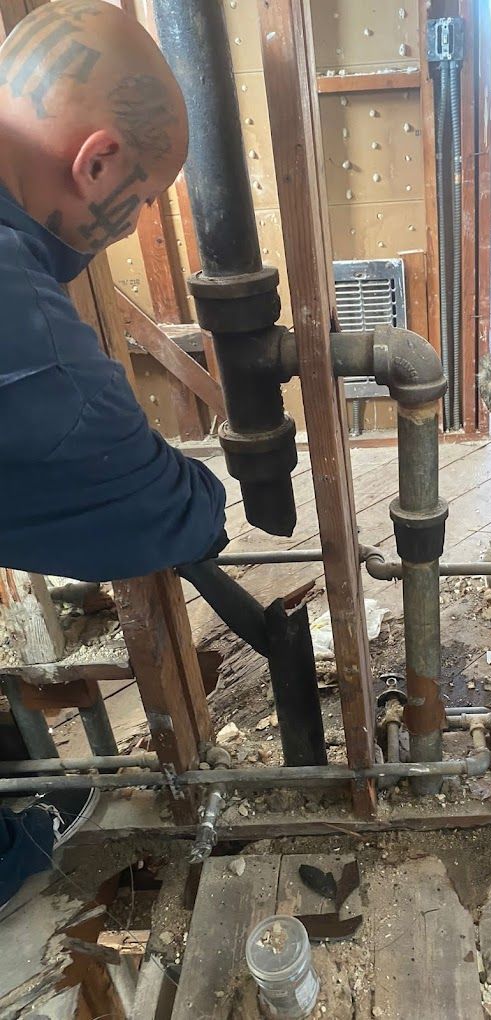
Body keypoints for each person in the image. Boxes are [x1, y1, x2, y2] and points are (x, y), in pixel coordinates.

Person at [0, 0, 227, 904]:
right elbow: (154, 509)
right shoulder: (34, 350)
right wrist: (206, 499)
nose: (131, 227)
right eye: (138, 202)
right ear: (94, 161)